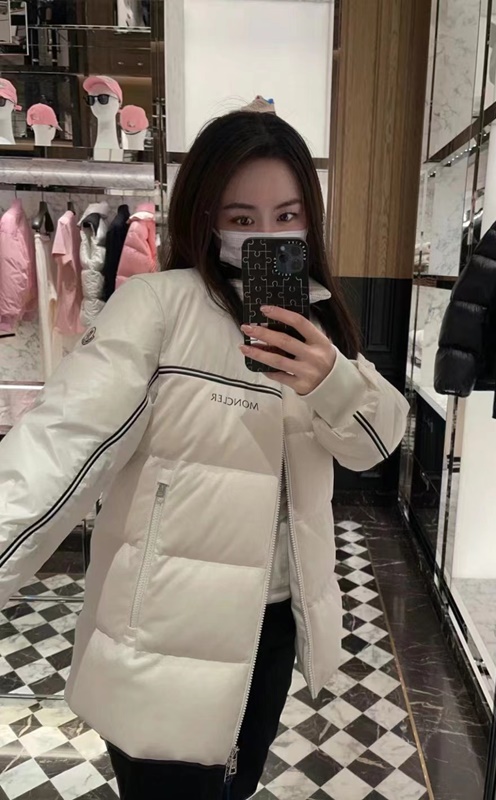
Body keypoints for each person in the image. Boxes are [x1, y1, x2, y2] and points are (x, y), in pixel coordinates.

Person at [0, 111, 409, 799]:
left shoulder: (314, 324)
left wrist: (331, 378)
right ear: (207, 217)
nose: (268, 235)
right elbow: (58, 446)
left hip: (270, 626)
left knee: (236, 786)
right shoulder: (157, 308)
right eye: (243, 218)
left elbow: (374, 444)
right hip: (162, 638)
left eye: (287, 215)